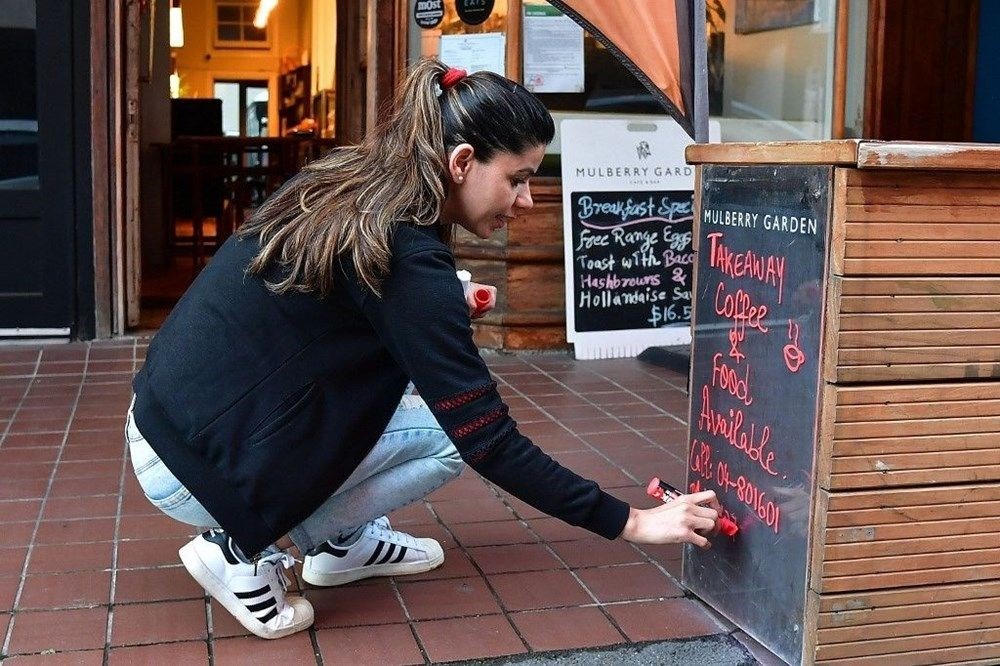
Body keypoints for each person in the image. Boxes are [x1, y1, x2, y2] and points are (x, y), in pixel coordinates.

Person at [125, 58, 722, 640]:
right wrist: (633, 521)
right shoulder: (411, 263)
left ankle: (339, 544)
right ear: (462, 162)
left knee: (413, 394)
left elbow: (339, 302)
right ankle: (236, 547)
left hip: (163, 420)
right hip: (195, 469)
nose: (527, 200)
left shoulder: (355, 182)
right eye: (517, 178)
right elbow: (489, 441)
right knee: (446, 439)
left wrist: (447, 302)